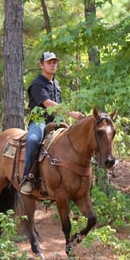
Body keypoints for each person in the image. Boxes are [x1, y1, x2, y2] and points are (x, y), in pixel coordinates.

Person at [20, 51, 84, 195]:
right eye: (49, 62)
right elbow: (48, 103)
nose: (52, 65)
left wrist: (65, 120)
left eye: (54, 62)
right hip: (40, 120)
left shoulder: (56, 83)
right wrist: (71, 113)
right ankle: (28, 178)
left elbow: (58, 106)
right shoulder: (37, 84)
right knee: (33, 139)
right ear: (42, 65)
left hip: (56, 121)